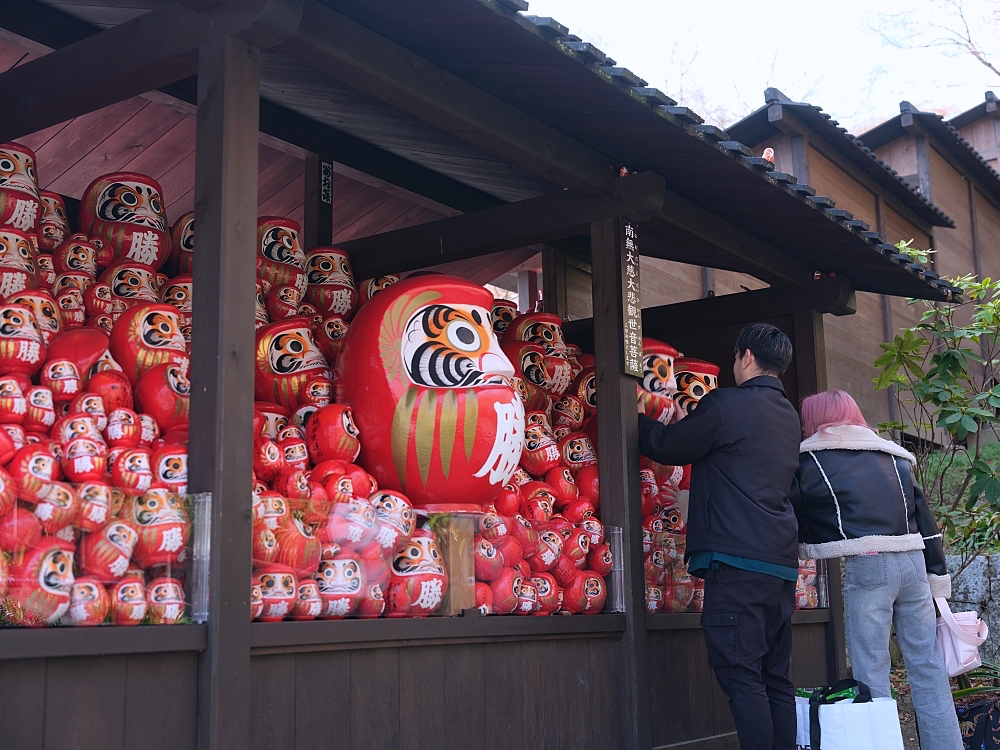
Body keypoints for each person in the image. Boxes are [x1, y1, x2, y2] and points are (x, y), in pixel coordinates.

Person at [638, 322, 801, 750]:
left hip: (738, 562)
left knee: (742, 677)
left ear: (745, 356)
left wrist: (635, 417)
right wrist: (692, 424)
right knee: (774, 678)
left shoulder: (727, 404)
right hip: (780, 565)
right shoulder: (788, 415)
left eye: (734, 358)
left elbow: (671, 446)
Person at [790, 390, 962, 750]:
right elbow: (926, 523)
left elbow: (795, 510)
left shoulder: (810, 459)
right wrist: (937, 577)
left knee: (871, 672)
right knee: (929, 670)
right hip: (914, 563)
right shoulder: (895, 457)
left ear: (814, 417)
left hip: (869, 566)